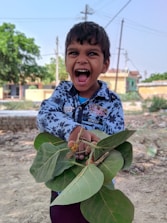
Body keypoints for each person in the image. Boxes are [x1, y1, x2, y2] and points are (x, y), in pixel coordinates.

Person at [37, 21, 124, 223]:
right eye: (74, 53)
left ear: (105, 64)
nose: (82, 60)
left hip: (98, 188)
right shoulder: (62, 93)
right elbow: (44, 116)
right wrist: (73, 131)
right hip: (64, 186)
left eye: (92, 53)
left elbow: (116, 140)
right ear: (66, 59)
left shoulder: (111, 102)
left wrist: (96, 148)